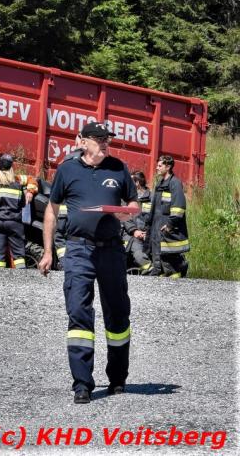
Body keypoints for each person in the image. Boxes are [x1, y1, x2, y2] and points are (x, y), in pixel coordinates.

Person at [39, 122, 138, 404]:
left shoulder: (118, 168)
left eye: (107, 139)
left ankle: (117, 378)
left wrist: (128, 213)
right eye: (98, 138)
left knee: (118, 314)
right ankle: (82, 383)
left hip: (111, 251)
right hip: (79, 250)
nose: (105, 143)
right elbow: (52, 211)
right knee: (78, 313)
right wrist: (48, 251)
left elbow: (134, 203)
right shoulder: (67, 170)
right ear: (82, 141)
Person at [0, 154, 28, 269]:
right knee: (18, 255)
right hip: (14, 222)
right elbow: (23, 204)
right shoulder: (17, 185)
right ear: (11, 169)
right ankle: (21, 276)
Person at [150, 155, 189, 278]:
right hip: (157, 225)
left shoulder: (175, 183)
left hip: (167, 226)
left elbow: (179, 207)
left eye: (159, 165)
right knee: (159, 254)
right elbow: (154, 208)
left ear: (168, 167)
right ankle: (162, 274)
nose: (157, 168)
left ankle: (176, 275)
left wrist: (170, 224)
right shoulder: (159, 184)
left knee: (170, 255)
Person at [124, 171, 153, 274]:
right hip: (130, 233)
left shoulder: (152, 198)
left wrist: (148, 233)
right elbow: (124, 217)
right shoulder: (126, 198)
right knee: (136, 248)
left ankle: (154, 270)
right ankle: (148, 267)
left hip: (148, 234)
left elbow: (156, 217)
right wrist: (134, 231)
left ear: (137, 183)